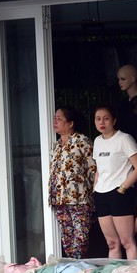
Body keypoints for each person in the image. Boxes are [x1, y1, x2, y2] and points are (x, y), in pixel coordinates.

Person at [92, 105, 137, 260]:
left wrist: (123, 188)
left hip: (119, 193)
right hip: (101, 194)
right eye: (98, 119)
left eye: (106, 118)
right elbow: (98, 168)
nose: (102, 122)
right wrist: (95, 188)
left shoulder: (123, 139)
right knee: (112, 243)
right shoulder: (97, 141)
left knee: (127, 241)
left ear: (114, 120)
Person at [49, 106, 96, 259]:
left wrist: (93, 193)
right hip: (60, 199)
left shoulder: (81, 141)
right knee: (67, 239)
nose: (55, 121)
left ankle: (78, 266)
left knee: (80, 237)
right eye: (55, 118)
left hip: (79, 198)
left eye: (59, 118)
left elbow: (93, 169)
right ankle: (72, 267)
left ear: (70, 123)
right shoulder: (56, 145)